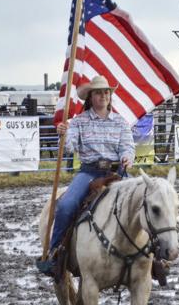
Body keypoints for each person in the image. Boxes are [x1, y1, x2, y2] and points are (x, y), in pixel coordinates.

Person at [36, 75, 135, 277]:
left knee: (143, 201)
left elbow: (128, 146)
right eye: (99, 93)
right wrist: (63, 134)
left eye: (106, 92)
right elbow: (70, 148)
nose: (103, 96)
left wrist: (127, 157)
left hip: (116, 172)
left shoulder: (120, 122)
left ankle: (152, 257)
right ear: (90, 97)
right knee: (65, 205)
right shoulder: (79, 122)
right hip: (89, 171)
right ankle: (55, 254)